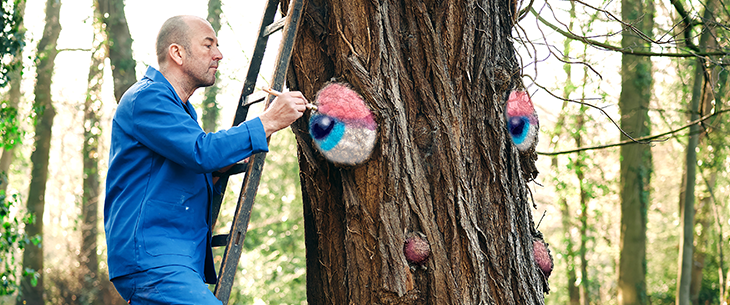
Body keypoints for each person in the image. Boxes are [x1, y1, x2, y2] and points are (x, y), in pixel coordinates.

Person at [104, 15, 307, 304]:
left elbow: (191, 164)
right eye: (208, 45)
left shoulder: (182, 110)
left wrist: (223, 164)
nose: (219, 54)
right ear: (177, 53)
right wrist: (268, 121)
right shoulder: (147, 99)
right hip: (153, 262)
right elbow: (201, 152)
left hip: (175, 260)